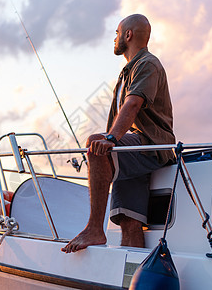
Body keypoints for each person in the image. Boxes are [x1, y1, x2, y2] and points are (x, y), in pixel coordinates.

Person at [62, 14, 175, 253]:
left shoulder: (147, 64)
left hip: (150, 145)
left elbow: (133, 105)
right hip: (134, 151)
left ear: (128, 35)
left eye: (116, 33)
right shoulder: (128, 71)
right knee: (129, 221)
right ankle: (130, 276)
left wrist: (111, 139)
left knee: (95, 143)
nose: (114, 39)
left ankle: (94, 228)